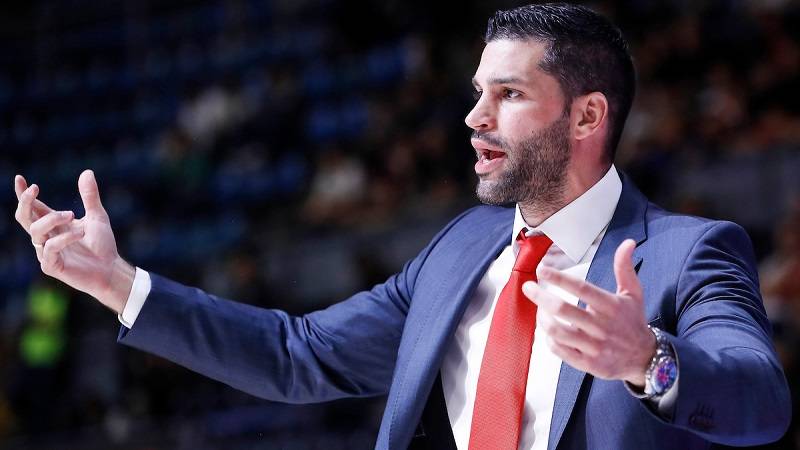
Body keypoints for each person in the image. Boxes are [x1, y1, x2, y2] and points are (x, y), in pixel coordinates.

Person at [12, 4, 790, 450]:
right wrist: (117, 284)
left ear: (587, 116)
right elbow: (294, 355)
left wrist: (649, 359)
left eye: (509, 94)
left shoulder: (689, 252)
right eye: (477, 92)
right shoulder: (458, 248)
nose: (475, 117)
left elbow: (762, 403)